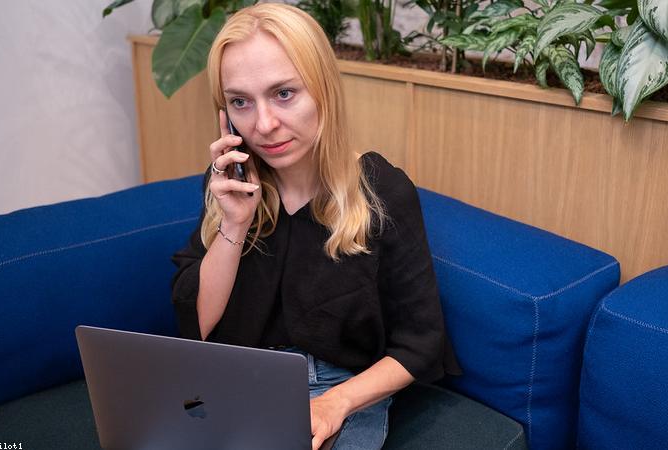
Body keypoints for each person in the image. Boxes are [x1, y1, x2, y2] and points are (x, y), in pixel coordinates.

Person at [171, 4, 460, 449]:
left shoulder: (383, 192)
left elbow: (420, 343)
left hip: (342, 387)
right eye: (240, 102)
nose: (263, 125)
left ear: (323, 90)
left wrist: (335, 403)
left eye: (284, 93)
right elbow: (198, 327)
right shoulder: (232, 187)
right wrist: (233, 225)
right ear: (224, 115)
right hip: (239, 378)